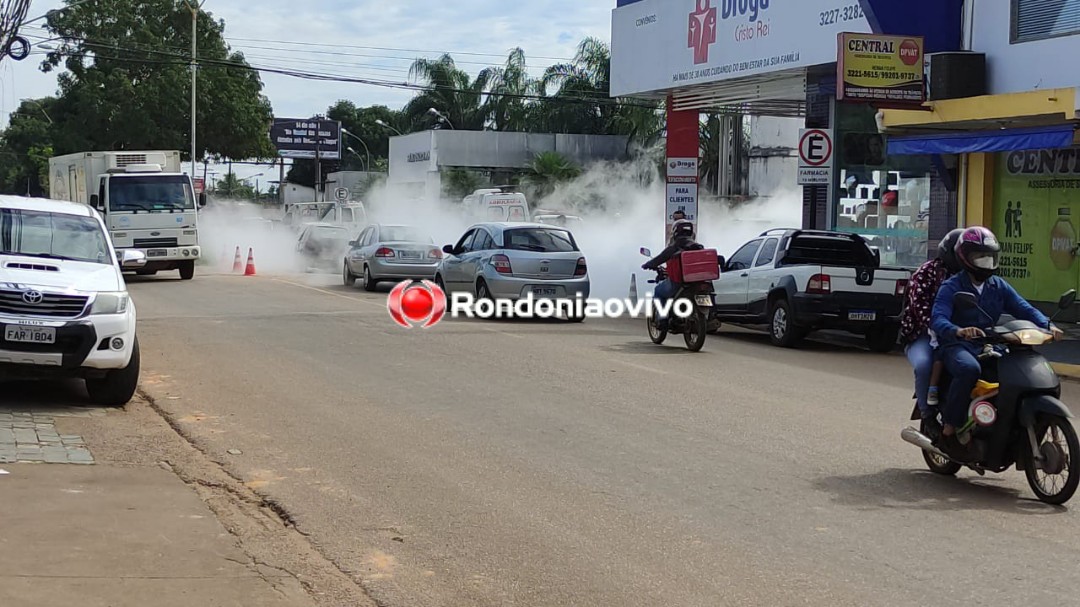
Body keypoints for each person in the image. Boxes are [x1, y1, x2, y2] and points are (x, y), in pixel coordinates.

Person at [930, 226, 1064, 461]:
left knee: (1012, 371)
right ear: (965, 257)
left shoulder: (998, 285)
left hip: (990, 344)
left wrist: (1047, 325)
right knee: (969, 368)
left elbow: (1023, 307)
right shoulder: (952, 286)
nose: (986, 263)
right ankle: (950, 427)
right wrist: (958, 330)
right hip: (957, 346)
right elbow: (938, 317)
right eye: (980, 257)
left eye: (990, 257)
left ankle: (999, 422)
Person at [898, 228, 964, 427]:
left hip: (961, 334)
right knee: (924, 365)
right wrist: (943, 328)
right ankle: (927, 415)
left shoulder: (971, 276)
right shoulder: (926, 272)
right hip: (924, 334)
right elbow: (920, 308)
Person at [642, 219, 702, 330]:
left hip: (679, 282)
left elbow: (659, 259)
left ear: (675, 232)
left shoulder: (674, 247)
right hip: (697, 282)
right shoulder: (698, 247)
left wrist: (647, 264)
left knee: (658, 291)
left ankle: (662, 319)